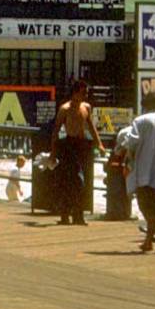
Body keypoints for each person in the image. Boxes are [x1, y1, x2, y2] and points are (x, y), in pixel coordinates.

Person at [117, 93, 155, 253]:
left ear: (145, 105)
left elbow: (132, 143)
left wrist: (127, 162)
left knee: (145, 207)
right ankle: (148, 242)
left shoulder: (140, 121)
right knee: (154, 207)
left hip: (144, 169)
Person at [49, 80, 105, 225]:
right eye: (83, 92)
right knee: (71, 181)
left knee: (81, 181)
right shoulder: (65, 109)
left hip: (82, 145)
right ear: (75, 92)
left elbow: (91, 127)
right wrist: (53, 153)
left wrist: (99, 143)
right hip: (69, 145)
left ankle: (78, 215)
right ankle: (65, 215)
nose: (85, 95)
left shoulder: (86, 107)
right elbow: (55, 132)